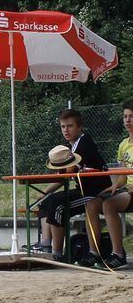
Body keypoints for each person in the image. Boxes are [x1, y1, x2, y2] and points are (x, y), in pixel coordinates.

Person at [29, 110, 111, 263]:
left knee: (58, 204)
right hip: (83, 191)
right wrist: (45, 192)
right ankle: (45, 244)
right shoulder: (71, 147)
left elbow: (68, 172)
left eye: (70, 126)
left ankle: (57, 253)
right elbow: (62, 177)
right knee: (47, 200)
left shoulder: (84, 141)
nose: (66, 130)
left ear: (80, 127)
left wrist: (58, 162)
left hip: (97, 192)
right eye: (62, 127)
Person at [101, 101, 133, 269]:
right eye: (125, 117)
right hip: (129, 191)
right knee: (103, 202)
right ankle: (118, 253)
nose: (127, 120)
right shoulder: (123, 145)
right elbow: (122, 174)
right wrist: (115, 186)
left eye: (131, 117)